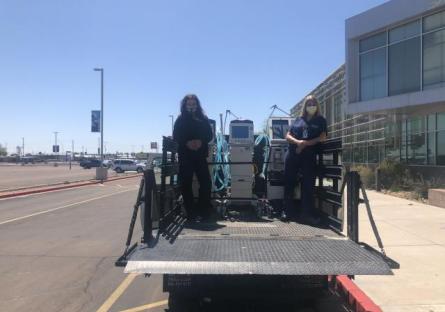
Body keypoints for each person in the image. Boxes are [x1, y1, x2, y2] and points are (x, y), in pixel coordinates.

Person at [282, 95, 327, 224]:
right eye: (309, 103)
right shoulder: (298, 120)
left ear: (317, 105)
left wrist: (305, 144)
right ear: (305, 106)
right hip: (293, 154)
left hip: (309, 156)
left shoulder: (320, 120)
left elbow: (322, 137)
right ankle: (287, 212)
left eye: (313, 103)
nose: (311, 105)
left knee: (308, 185)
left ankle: (306, 214)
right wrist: (299, 142)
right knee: (289, 182)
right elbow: (288, 135)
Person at [173, 94, 213, 221]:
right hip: (185, 156)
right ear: (185, 105)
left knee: (206, 183)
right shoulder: (180, 119)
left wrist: (201, 141)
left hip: (200, 156)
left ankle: (203, 209)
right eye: (189, 104)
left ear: (197, 104)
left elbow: (209, 135)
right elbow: (176, 136)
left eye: (194, 104)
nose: (192, 106)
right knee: (186, 184)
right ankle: (190, 212)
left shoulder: (203, 118)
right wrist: (187, 143)